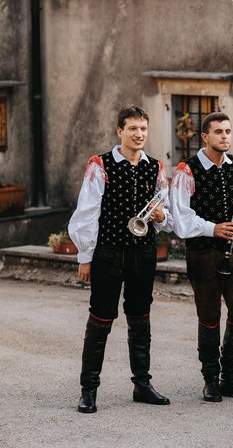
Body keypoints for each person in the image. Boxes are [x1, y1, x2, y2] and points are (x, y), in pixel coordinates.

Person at [68, 105, 172, 413]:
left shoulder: (156, 167)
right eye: (132, 129)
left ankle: (142, 385)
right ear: (120, 131)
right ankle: (89, 390)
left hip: (143, 253)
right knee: (101, 319)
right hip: (109, 252)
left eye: (143, 129)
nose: (139, 134)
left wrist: (160, 215)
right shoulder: (100, 165)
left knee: (140, 318)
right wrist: (84, 258)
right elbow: (86, 214)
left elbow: (166, 215)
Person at [170, 111, 233, 401]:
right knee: (209, 319)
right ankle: (211, 379)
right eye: (218, 132)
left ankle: (230, 376)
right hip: (203, 253)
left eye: (228, 131)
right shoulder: (187, 170)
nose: (224, 136)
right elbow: (181, 219)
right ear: (205, 137)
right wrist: (213, 228)